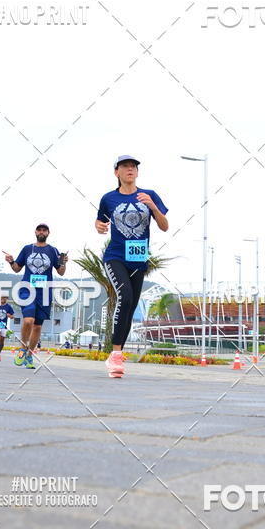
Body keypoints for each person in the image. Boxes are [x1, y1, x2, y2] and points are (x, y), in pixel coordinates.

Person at [96, 156, 168, 378]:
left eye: (133, 167)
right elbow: (100, 221)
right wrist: (99, 226)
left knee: (130, 306)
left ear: (137, 172)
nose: (130, 169)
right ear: (116, 172)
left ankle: (115, 355)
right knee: (124, 297)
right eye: (125, 166)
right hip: (115, 256)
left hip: (138, 260)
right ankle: (116, 356)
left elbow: (164, 226)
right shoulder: (108, 198)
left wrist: (153, 207)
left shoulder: (150, 195)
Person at [3, 223, 68, 368]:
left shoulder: (53, 250)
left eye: (44, 230)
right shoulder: (27, 249)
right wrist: (11, 261)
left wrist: (63, 262)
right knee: (28, 320)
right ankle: (22, 349)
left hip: (44, 293)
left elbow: (61, 272)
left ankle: (29, 355)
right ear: (35, 232)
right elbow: (16, 269)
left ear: (48, 233)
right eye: (39, 229)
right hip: (27, 289)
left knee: (38, 326)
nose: (42, 232)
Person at [0, 295, 15, 361]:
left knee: (2, 340)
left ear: (6, 299)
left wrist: (10, 316)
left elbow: (12, 316)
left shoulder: (8, 307)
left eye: (4, 298)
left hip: (4, 325)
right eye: (1, 297)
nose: (2, 299)